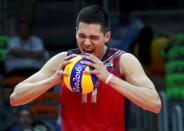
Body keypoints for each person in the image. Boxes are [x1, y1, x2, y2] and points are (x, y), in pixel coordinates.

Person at [10, 5, 161, 131]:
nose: (87, 43)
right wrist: (51, 81)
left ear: (107, 36)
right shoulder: (64, 60)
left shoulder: (122, 60)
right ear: (76, 32)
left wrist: (108, 78)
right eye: (82, 36)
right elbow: (15, 98)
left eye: (94, 37)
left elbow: (154, 104)